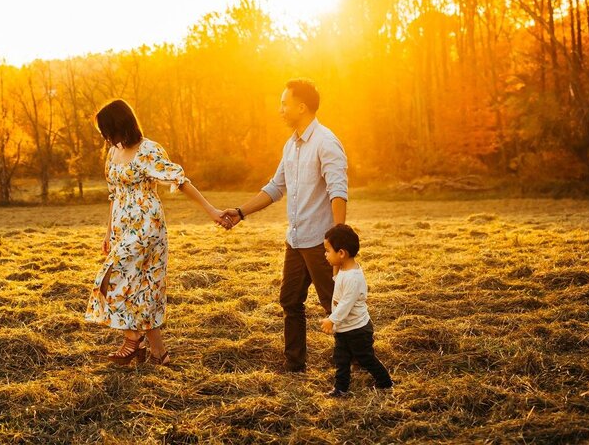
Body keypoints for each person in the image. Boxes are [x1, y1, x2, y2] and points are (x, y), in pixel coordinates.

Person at [218, 78, 348, 373]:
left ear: (301, 107)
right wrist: (241, 212)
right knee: (290, 301)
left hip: (322, 243)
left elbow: (338, 190)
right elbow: (276, 187)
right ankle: (294, 363)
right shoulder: (291, 146)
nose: (280, 109)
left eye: (284, 103)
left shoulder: (326, 142)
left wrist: (338, 242)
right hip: (297, 240)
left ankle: (354, 361)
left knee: (336, 305)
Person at [84, 98, 226, 366]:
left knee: (110, 279)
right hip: (122, 227)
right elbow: (113, 194)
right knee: (145, 287)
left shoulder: (148, 150)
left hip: (146, 226)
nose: (105, 137)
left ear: (119, 124)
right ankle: (160, 354)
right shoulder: (114, 151)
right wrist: (108, 233)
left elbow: (179, 181)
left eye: (106, 130)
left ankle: (132, 340)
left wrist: (211, 210)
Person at [320, 223, 393, 397]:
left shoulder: (353, 278)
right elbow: (337, 278)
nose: (325, 254)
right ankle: (341, 389)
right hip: (345, 329)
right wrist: (334, 264)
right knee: (341, 359)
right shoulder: (346, 269)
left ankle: (385, 383)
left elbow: (346, 304)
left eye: (328, 250)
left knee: (366, 358)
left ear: (341, 253)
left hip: (357, 330)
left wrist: (332, 320)